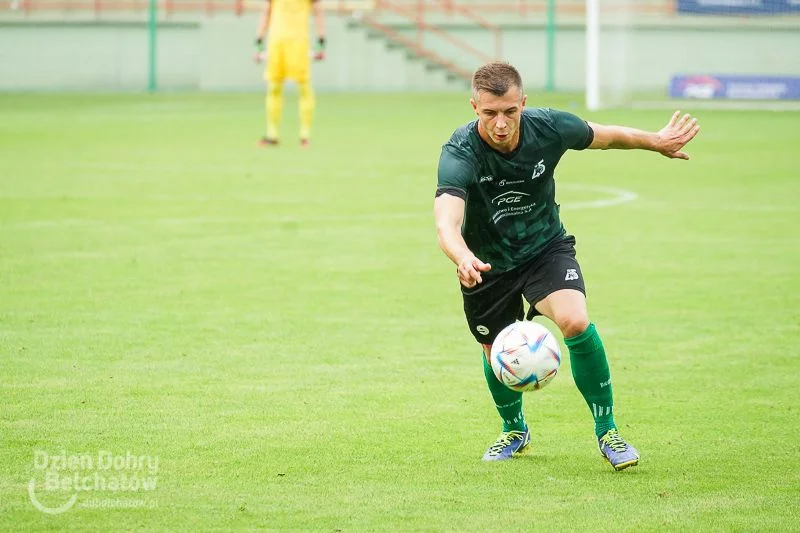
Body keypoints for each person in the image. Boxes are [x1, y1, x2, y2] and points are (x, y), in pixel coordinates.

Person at [434, 62, 699, 469]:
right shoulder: (460, 149)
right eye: (490, 113)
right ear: (474, 107)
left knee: (575, 320)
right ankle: (513, 429)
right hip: (486, 262)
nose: (501, 123)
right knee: (495, 349)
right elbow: (446, 221)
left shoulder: (549, 126)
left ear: (523, 103)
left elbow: (608, 137)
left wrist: (656, 141)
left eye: (510, 111)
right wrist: (463, 256)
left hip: (544, 247)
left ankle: (608, 431)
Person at [254, 0, 326, 147]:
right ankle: (272, 134)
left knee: (304, 87)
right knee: (274, 87)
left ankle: (305, 135)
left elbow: (318, 11)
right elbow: (267, 11)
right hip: (277, 41)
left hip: (299, 41)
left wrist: (321, 39)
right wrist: (259, 39)